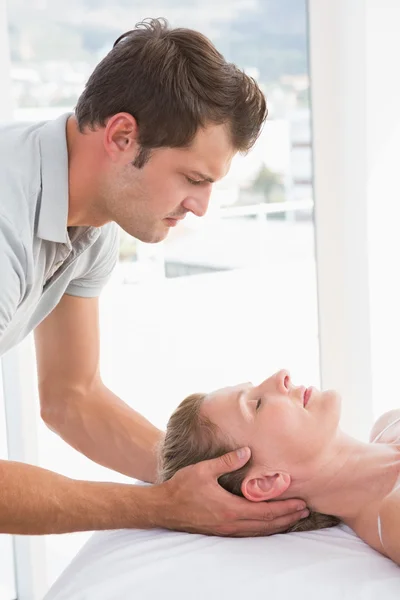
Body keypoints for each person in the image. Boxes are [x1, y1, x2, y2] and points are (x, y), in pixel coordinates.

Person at [0, 18, 308, 537]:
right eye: (193, 179)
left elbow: (71, 396)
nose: (201, 206)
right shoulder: (9, 217)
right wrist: (163, 506)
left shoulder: (92, 212)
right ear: (122, 135)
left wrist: (218, 486)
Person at [160, 369, 400, 565]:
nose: (281, 376)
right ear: (267, 481)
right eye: (257, 404)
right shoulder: (394, 516)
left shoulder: (388, 424)